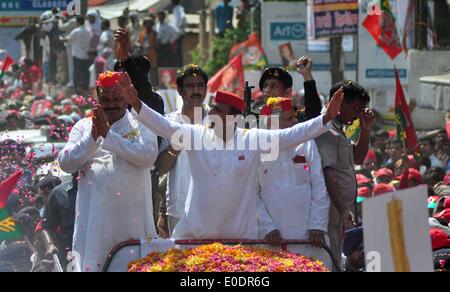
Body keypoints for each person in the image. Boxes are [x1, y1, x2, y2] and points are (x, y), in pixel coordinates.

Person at [121, 71, 343, 240]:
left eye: (218, 111)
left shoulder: (252, 139)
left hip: (242, 239)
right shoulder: (196, 135)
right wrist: (135, 103)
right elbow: (163, 126)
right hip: (196, 236)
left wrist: (326, 118)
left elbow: (295, 134)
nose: (211, 114)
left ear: (234, 119)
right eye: (213, 108)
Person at [58, 71, 159, 272]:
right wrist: (92, 139)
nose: (111, 104)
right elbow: (65, 163)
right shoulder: (84, 127)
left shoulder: (141, 124)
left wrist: (108, 137)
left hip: (133, 224)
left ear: (126, 98)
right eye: (106, 99)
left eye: (117, 99)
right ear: (98, 99)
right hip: (94, 225)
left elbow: (148, 155)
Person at [256, 97, 331, 268]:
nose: (296, 121)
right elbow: (251, 194)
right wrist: (267, 227)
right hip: (272, 238)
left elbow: (319, 186)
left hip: (309, 238)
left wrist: (317, 225)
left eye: (295, 117)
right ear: (271, 123)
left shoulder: (307, 143)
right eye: (289, 118)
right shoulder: (256, 148)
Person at [315, 80, 375, 271]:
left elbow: (358, 158)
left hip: (341, 213)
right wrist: (342, 208)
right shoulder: (326, 129)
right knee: (330, 261)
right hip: (332, 213)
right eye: (357, 108)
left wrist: (365, 130)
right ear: (339, 102)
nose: (359, 114)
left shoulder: (340, 130)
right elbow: (328, 170)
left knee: (336, 259)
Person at [154, 64, 210, 237]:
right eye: (190, 86)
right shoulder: (169, 123)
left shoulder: (219, 121)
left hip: (213, 206)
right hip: (178, 208)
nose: (196, 90)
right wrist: (175, 146)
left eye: (200, 85)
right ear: (179, 90)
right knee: (181, 262)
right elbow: (159, 169)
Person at [41, 175, 78, 270]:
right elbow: (46, 227)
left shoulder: (105, 187)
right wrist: (50, 245)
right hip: (70, 256)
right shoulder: (58, 193)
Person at [66, 16, 91, 95]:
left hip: (77, 55)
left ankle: (77, 89)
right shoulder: (87, 31)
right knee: (85, 72)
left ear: (77, 22)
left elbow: (69, 39)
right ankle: (86, 88)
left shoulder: (75, 31)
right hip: (86, 55)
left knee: (76, 72)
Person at [171, 0, 186, 66]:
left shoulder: (179, 8)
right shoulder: (175, 9)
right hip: (175, 34)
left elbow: (183, 17)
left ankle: (180, 68)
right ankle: (177, 67)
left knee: (177, 52)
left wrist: (179, 27)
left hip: (178, 34)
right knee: (176, 52)